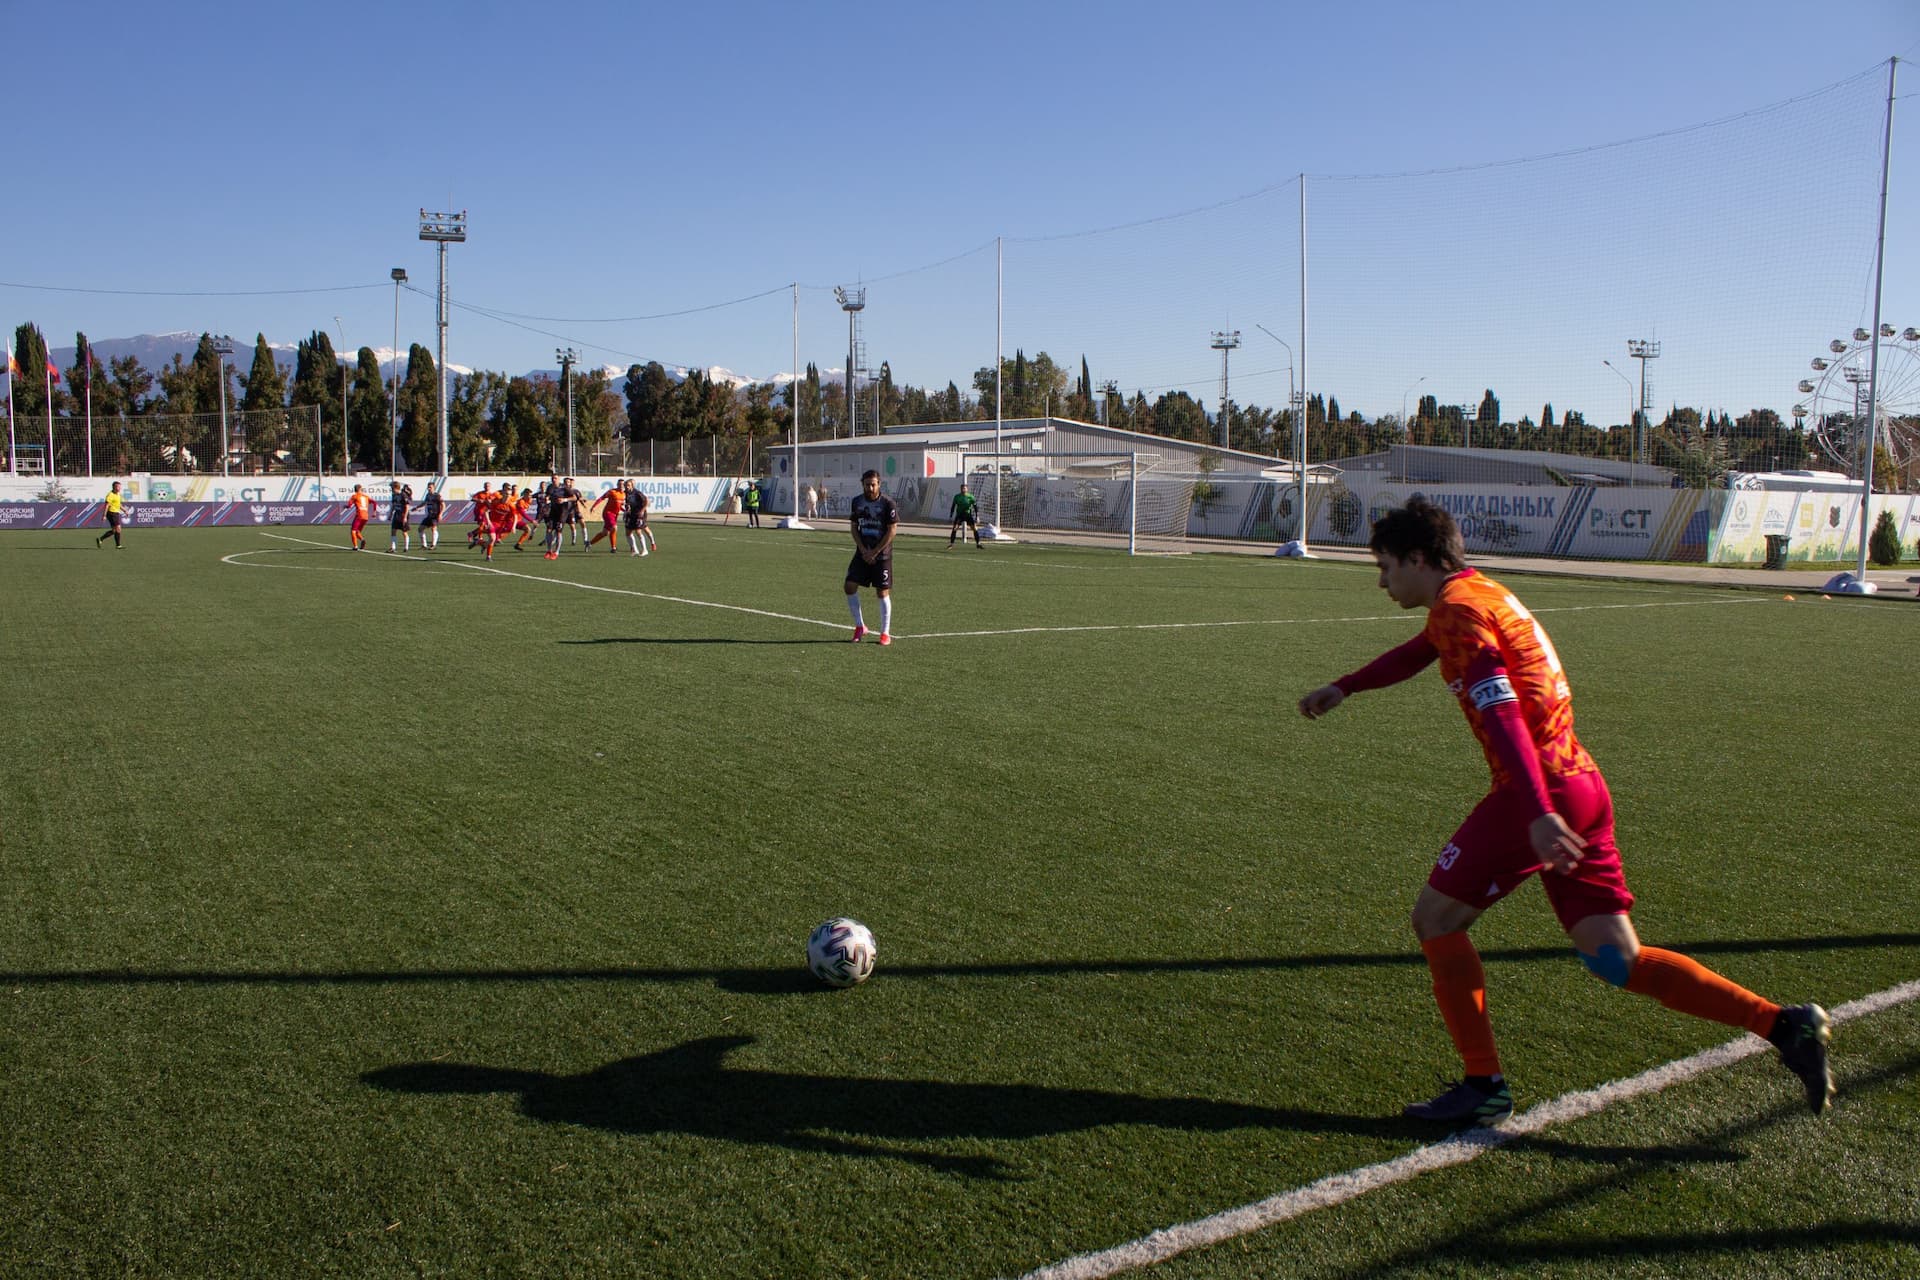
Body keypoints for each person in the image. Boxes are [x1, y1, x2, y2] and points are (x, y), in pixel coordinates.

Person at [1295, 498, 1833, 1126]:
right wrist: (1347, 685)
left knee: (1435, 919)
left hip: (1538, 793)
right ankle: (1784, 1025)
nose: (1382, 582)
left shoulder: (1460, 611)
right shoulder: (1480, 595)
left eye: (1385, 567)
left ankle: (1483, 1084)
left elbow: (1501, 712)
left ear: (1418, 559)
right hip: (1581, 783)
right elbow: (1421, 650)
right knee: (1616, 959)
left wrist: (1535, 813)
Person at [844, 469, 898, 646]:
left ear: (879, 484)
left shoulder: (888, 504)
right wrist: (863, 549)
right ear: (863, 484)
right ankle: (860, 626)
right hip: (862, 553)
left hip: (882, 555)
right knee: (849, 586)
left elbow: (892, 530)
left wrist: (874, 552)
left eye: (873, 484)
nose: (870, 488)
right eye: (867, 485)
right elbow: (854, 527)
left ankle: (885, 633)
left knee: (882, 592)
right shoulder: (857, 502)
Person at [587, 482, 625, 552]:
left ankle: (589, 543)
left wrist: (624, 510)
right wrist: (594, 506)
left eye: (623, 484)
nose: (621, 485)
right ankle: (613, 548)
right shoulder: (612, 492)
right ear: (617, 484)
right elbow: (602, 498)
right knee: (614, 527)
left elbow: (619, 505)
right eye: (620, 484)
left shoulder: (624, 494)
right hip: (608, 513)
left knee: (605, 533)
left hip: (615, 515)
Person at [341, 484, 374, 551]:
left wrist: (346, 506)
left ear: (355, 489)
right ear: (360, 489)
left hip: (359, 515)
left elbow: (349, 505)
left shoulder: (354, 496)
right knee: (357, 531)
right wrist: (374, 511)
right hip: (366, 516)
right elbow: (374, 502)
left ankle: (355, 546)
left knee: (353, 531)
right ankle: (362, 540)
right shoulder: (366, 496)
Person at [948, 482, 981, 548]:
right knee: (955, 528)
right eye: (962, 488)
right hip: (959, 515)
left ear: (967, 489)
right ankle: (951, 544)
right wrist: (951, 515)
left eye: (964, 488)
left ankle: (978, 544)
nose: (963, 489)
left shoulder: (971, 497)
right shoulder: (957, 496)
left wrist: (977, 516)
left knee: (975, 528)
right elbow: (953, 506)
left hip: (968, 515)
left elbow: (975, 507)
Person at [622, 480, 651, 556]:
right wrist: (626, 510)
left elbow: (647, 501)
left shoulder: (637, 493)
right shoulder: (625, 493)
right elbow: (627, 503)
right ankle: (635, 550)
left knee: (638, 531)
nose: (626, 487)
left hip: (638, 514)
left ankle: (645, 550)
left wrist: (642, 510)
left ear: (632, 486)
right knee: (628, 532)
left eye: (628, 485)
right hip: (630, 514)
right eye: (625, 485)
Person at [415, 480, 445, 550]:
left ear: (434, 488)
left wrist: (440, 514)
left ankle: (433, 545)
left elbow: (443, 505)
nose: (429, 488)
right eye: (428, 487)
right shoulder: (427, 495)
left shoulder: (437, 496)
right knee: (420, 529)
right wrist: (417, 507)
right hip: (429, 516)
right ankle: (424, 545)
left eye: (430, 487)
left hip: (435, 515)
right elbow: (424, 503)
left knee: (433, 528)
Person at [95, 480, 125, 548]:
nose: (119, 488)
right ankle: (118, 545)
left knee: (114, 531)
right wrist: (104, 515)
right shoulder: (110, 495)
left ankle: (100, 539)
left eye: (120, 487)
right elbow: (106, 506)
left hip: (116, 513)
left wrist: (125, 510)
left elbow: (118, 504)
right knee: (118, 528)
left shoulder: (118, 494)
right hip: (111, 513)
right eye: (118, 487)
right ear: (114, 487)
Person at [387, 480, 414, 553]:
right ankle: (393, 547)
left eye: (392, 488)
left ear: (396, 488)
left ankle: (406, 547)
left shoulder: (403, 495)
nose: (391, 489)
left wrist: (405, 517)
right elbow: (393, 505)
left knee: (404, 532)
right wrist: (390, 514)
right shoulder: (394, 495)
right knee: (393, 530)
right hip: (396, 514)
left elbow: (407, 506)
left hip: (403, 514)